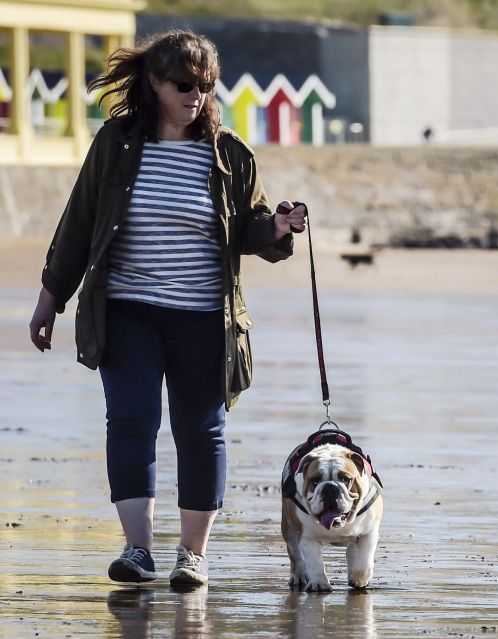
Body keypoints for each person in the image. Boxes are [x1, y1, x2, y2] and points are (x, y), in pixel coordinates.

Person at [27, 30, 307, 587]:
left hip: (205, 316)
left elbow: (248, 227)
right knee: (131, 420)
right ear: (154, 82)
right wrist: (49, 299)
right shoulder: (116, 144)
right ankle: (137, 549)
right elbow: (79, 222)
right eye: (183, 85)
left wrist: (277, 227)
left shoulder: (228, 154)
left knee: (201, 430)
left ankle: (193, 555)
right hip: (127, 310)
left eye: (204, 86)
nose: (195, 96)